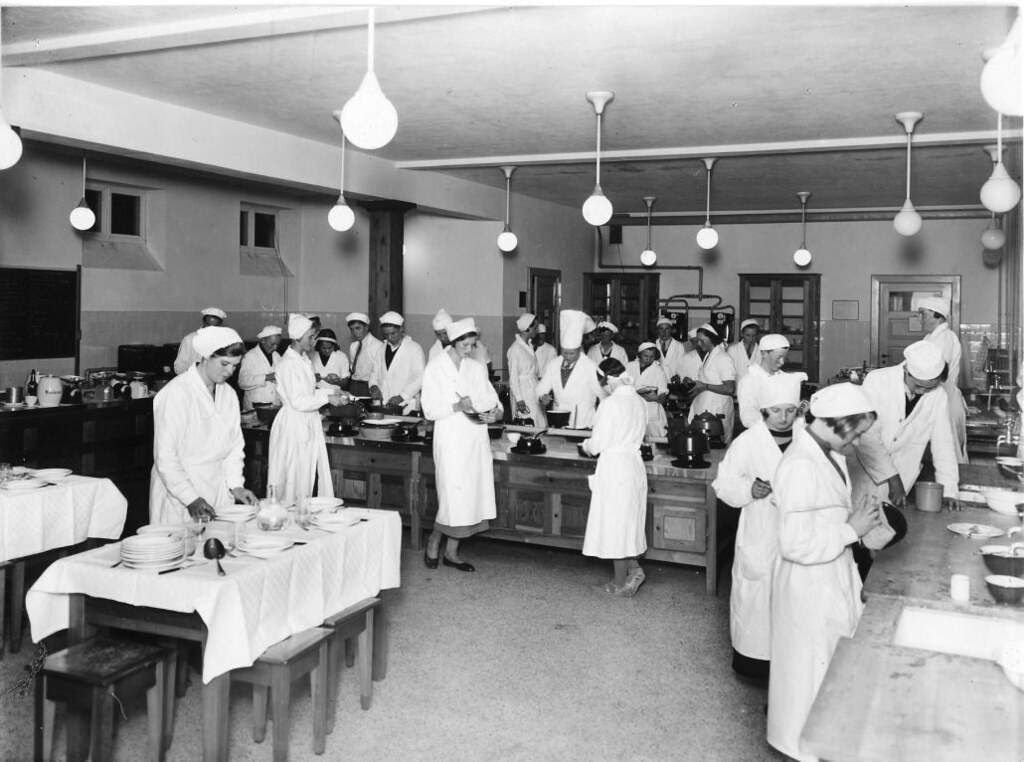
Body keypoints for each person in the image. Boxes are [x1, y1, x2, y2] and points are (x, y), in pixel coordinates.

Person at [767, 382, 883, 762]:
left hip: (827, 577)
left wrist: (856, 526)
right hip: (809, 585)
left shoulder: (825, 453)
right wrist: (852, 530)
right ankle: (803, 750)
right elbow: (795, 543)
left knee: (820, 676)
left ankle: (814, 746)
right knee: (808, 679)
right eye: (859, 433)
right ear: (841, 423)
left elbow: (823, 518)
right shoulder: (801, 465)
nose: (859, 442)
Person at [712, 371, 804, 682]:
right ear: (763, 411)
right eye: (776, 411)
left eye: (790, 411)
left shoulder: (808, 439)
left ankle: (790, 666)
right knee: (757, 600)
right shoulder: (748, 441)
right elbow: (723, 483)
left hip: (800, 531)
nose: (783, 417)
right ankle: (753, 663)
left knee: (795, 602)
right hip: (761, 529)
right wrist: (749, 490)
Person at [150, 326, 258, 524]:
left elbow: (234, 447)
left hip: (217, 487)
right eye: (224, 364)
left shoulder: (229, 395)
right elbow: (165, 457)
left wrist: (236, 485)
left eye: (235, 366)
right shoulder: (176, 394)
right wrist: (190, 498)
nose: (229, 372)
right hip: (180, 493)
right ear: (206, 356)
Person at [421, 317, 502, 572]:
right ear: (454, 343)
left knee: (469, 496)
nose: (470, 349)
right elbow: (429, 409)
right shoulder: (435, 368)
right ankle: (433, 542)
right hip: (450, 438)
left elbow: (493, 400)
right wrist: (456, 406)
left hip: (475, 438)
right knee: (452, 496)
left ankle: (452, 553)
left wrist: (495, 413)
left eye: (473, 345)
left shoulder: (476, 368)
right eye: (465, 345)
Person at [848, 339, 960, 511]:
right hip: (866, 471)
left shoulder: (938, 396)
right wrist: (892, 478)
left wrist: (949, 489)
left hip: (904, 475)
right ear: (907, 371)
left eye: (930, 388)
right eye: (920, 386)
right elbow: (867, 437)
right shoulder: (877, 381)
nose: (924, 392)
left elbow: (943, 443)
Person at [581, 358, 649, 596]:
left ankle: (619, 583)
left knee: (615, 525)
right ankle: (634, 569)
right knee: (629, 522)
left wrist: (586, 445)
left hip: (615, 467)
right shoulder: (639, 401)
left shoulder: (610, 404)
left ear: (608, 381)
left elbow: (598, 444)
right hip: (633, 465)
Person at [268, 314, 345, 504]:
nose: (314, 341)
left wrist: (330, 395)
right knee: (292, 478)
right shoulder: (287, 364)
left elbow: (308, 392)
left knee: (305, 476)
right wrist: (327, 398)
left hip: (306, 422)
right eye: (311, 337)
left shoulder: (303, 360)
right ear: (297, 337)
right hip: (293, 424)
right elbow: (299, 401)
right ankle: (287, 516)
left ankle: (302, 513)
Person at [918, 296, 969, 463]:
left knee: (947, 458)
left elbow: (931, 373)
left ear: (937, 315)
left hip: (945, 402)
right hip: (938, 401)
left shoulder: (944, 338)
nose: (919, 319)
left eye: (922, 314)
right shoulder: (930, 338)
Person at [537, 310, 605, 429]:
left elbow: (603, 394)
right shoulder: (554, 364)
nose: (568, 357)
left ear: (579, 349)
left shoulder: (590, 366)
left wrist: (601, 422)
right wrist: (542, 397)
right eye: (565, 353)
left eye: (572, 353)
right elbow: (541, 388)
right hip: (558, 420)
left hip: (583, 422)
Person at [685, 323, 738, 444]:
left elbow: (729, 388)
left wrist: (705, 386)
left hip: (717, 412)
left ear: (712, 339)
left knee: (717, 450)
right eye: (698, 341)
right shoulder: (709, 356)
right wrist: (694, 384)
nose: (699, 344)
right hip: (703, 409)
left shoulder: (723, 358)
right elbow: (709, 380)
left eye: (702, 341)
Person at [737, 334, 801, 429]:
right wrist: (774, 428)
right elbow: (748, 418)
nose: (782, 362)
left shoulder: (784, 378)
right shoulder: (749, 381)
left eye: (784, 357)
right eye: (778, 357)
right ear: (764, 354)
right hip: (761, 436)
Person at [370, 311, 426, 414]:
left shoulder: (414, 349)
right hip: (385, 405)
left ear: (401, 329)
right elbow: (374, 373)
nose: (390, 338)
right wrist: (374, 387)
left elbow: (420, 377)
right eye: (386, 334)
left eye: (393, 333)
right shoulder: (381, 349)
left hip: (406, 405)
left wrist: (402, 396)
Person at [507, 312, 545, 427]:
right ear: (527, 328)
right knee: (526, 424)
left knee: (538, 422)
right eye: (535, 327)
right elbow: (513, 378)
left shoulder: (529, 346)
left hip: (533, 389)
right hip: (522, 392)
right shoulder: (515, 349)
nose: (536, 330)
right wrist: (519, 400)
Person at [625, 341, 669, 438]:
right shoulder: (629, 366)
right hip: (632, 411)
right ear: (639, 355)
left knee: (656, 444)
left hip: (651, 414)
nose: (648, 359)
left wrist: (655, 398)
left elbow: (663, 397)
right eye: (645, 356)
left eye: (652, 356)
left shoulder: (658, 371)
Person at [238, 324, 281, 410]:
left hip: (274, 405)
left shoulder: (277, 356)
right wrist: (266, 377)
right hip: (255, 406)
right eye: (272, 344)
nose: (275, 347)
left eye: (277, 344)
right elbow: (242, 382)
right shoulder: (250, 356)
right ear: (263, 341)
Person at [173, 307, 227, 375]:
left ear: (220, 325)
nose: (210, 328)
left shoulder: (223, 341)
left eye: (214, 326)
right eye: (208, 324)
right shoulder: (189, 339)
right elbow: (178, 367)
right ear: (203, 322)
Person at [345, 311, 384, 397]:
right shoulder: (353, 346)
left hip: (368, 387)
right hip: (353, 385)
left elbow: (380, 372)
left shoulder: (377, 346)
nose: (355, 332)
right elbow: (353, 368)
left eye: (358, 328)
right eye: (352, 329)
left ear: (366, 327)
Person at [311, 328, 350, 392]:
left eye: (330, 347)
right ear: (318, 346)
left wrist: (336, 382)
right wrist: (313, 378)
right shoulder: (312, 355)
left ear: (334, 345)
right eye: (323, 348)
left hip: (335, 394)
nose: (327, 351)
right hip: (316, 394)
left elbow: (345, 383)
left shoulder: (341, 356)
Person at [655, 316, 687, 382]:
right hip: (656, 382)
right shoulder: (653, 345)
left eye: (667, 329)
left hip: (672, 382)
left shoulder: (679, 346)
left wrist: (679, 376)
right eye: (661, 329)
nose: (664, 332)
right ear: (657, 331)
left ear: (671, 330)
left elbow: (683, 365)